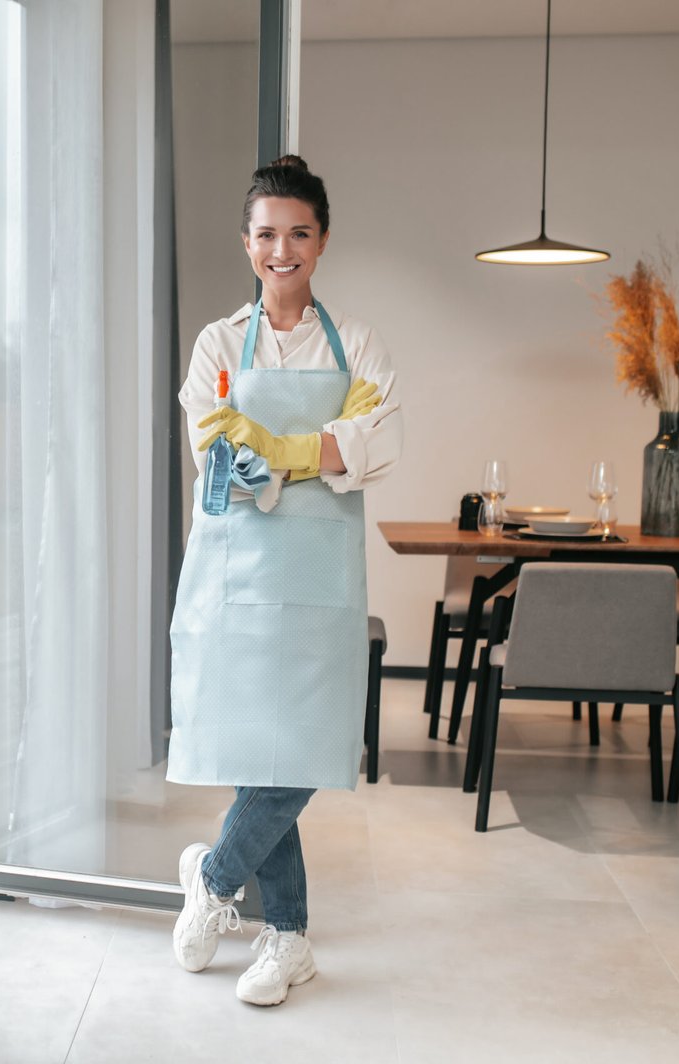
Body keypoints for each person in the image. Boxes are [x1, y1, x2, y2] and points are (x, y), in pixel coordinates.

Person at [167, 155, 401, 1006]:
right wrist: (318, 450)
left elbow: (375, 442)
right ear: (247, 242)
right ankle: (290, 937)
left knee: (302, 747)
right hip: (236, 573)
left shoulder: (359, 345)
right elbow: (218, 451)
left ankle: (215, 878)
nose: (282, 250)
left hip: (319, 580)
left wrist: (280, 448)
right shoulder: (218, 344)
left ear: (322, 240)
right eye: (267, 234)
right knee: (257, 750)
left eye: (299, 233)